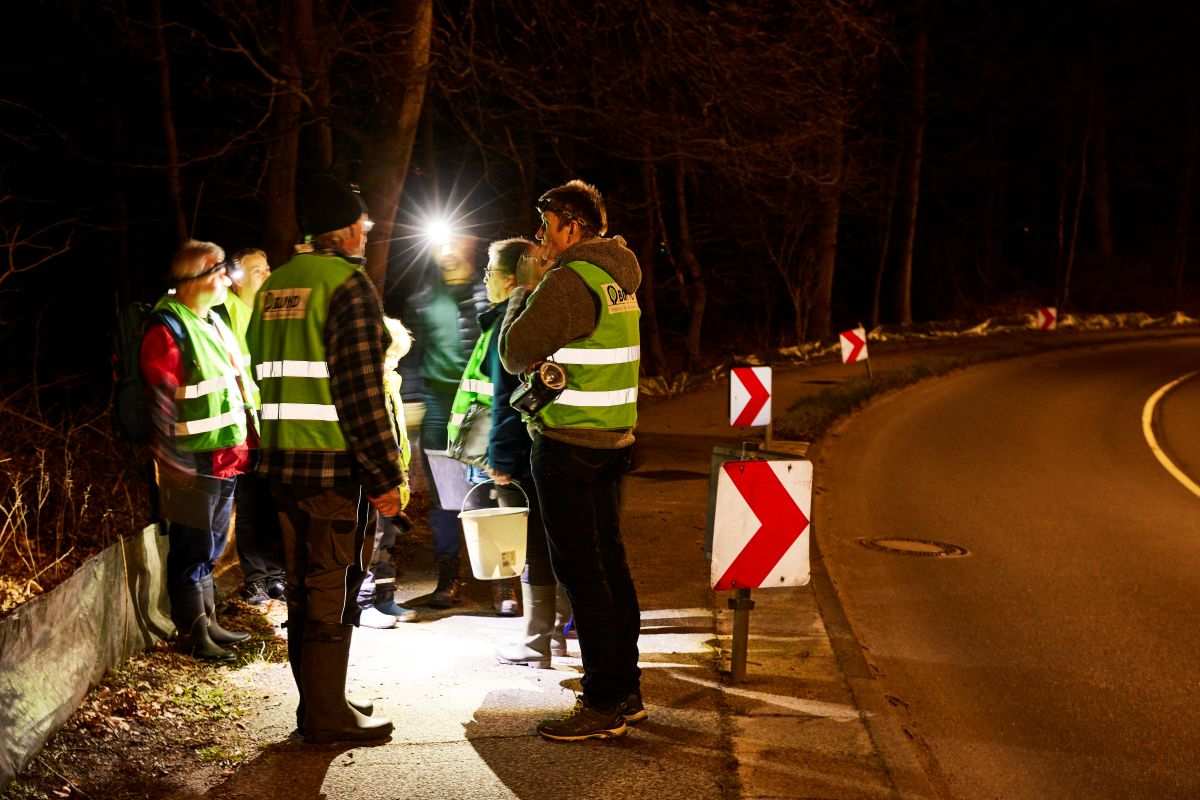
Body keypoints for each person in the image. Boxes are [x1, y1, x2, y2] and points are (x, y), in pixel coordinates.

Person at [247, 173, 407, 744]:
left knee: (302, 582)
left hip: (282, 466)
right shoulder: (348, 286)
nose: (368, 230)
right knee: (329, 587)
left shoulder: (275, 287)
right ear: (343, 229)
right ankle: (325, 717)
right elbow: (361, 392)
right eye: (362, 222)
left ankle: (319, 700)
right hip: (333, 468)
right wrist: (384, 476)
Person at [500, 180, 645, 741]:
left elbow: (514, 351)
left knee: (582, 575)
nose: (540, 237)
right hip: (614, 443)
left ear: (571, 225)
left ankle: (601, 701)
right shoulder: (619, 279)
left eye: (546, 226)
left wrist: (525, 293)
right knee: (611, 566)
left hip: (568, 448)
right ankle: (625, 688)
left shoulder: (566, 281)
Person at [140, 239, 257, 662]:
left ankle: (208, 622)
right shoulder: (167, 327)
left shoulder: (210, 322)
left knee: (208, 546)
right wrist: (170, 458)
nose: (228, 279)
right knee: (191, 548)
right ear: (196, 279)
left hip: (224, 455)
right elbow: (160, 397)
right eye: (219, 271)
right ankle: (193, 633)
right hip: (191, 458)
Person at [471, 237, 573, 663]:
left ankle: (536, 643)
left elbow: (506, 400)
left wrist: (500, 458)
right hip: (555, 443)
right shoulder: (551, 313)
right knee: (557, 542)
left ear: (510, 278)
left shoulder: (511, 322)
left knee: (534, 547)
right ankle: (555, 636)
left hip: (523, 452)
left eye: (490, 272)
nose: (485, 279)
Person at [407, 235, 490, 610]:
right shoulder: (423, 300)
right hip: (439, 409)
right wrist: (412, 400)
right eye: (442, 241)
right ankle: (449, 575)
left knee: (490, 491)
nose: (448, 248)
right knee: (445, 497)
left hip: (481, 410)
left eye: (455, 239)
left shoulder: (489, 296)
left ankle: (500, 580)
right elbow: (412, 356)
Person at [223, 248, 286, 605]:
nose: (266, 274)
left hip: (274, 418)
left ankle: (277, 573)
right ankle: (257, 576)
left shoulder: (272, 308)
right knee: (250, 502)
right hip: (247, 421)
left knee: (273, 499)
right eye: (257, 269)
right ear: (237, 278)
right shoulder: (228, 314)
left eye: (267, 267)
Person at [354, 316, 419, 628]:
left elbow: (397, 431)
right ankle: (363, 602)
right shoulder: (367, 387)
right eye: (388, 357)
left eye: (397, 358)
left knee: (387, 539)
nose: (393, 364)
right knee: (371, 540)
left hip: (394, 474)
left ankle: (385, 597)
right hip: (376, 478)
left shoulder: (390, 384)